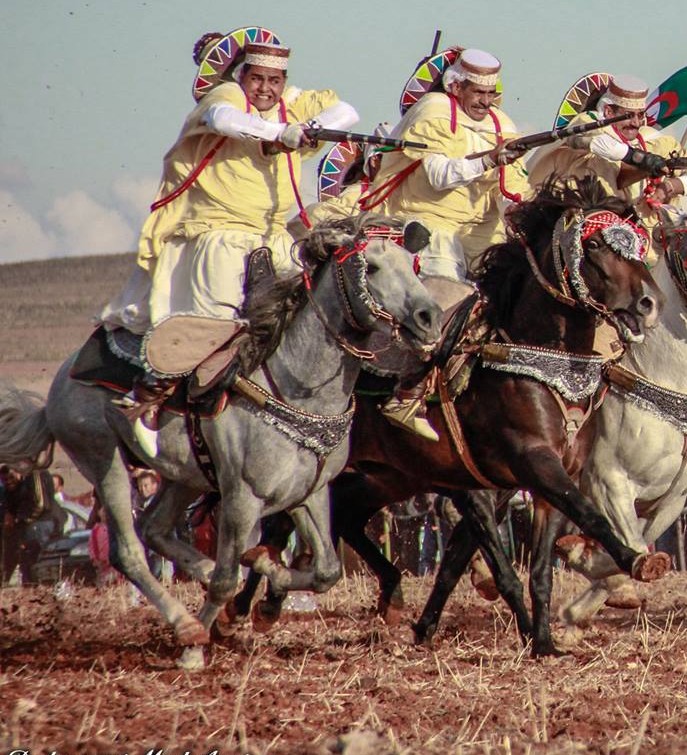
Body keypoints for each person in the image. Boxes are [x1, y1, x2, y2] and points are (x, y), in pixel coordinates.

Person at [99, 29, 359, 455]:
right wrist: (279, 135)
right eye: (257, 79)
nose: (266, 89)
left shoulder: (291, 103)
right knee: (215, 325)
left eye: (274, 81)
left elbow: (346, 111)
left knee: (316, 311)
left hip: (272, 237)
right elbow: (226, 123)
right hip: (216, 234)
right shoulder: (223, 99)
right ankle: (147, 400)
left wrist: (306, 128)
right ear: (242, 75)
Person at [360, 49, 531, 438]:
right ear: (456, 86)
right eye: (477, 93)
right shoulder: (433, 109)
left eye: (491, 95)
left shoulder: (501, 122)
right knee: (445, 309)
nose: (485, 102)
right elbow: (439, 174)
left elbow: (514, 190)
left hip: (483, 233)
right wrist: (489, 160)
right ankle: (408, 392)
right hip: (429, 225)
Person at [528, 75, 687, 252]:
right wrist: (643, 161)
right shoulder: (588, 124)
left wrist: (670, 187)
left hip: (651, 250)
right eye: (629, 116)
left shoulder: (657, 142)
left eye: (641, 116)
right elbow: (606, 147)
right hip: (590, 243)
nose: (636, 123)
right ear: (608, 112)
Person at [0, 466, 64, 584]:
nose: (9, 482)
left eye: (11, 478)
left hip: (40, 525)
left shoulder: (34, 473)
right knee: (26, 565)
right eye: (5, 480)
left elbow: (40, 504)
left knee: (36, 563)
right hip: (28, 528)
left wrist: (23, 519)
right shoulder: (13, 489)